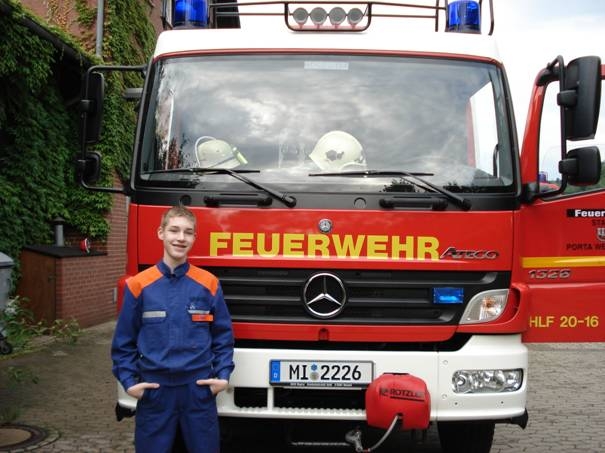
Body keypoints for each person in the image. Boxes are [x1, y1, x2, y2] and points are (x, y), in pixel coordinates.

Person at [111, 205, 234, 453]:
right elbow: (123, 342)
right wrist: (129, 382)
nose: (180, 238)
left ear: (194, 238)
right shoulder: (139, 285)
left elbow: (223, 336)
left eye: (187, 232)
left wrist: (222, 376)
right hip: (155, 392)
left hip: (198, 390)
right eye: (174, 230)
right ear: (161, 233)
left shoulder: (208, 284)